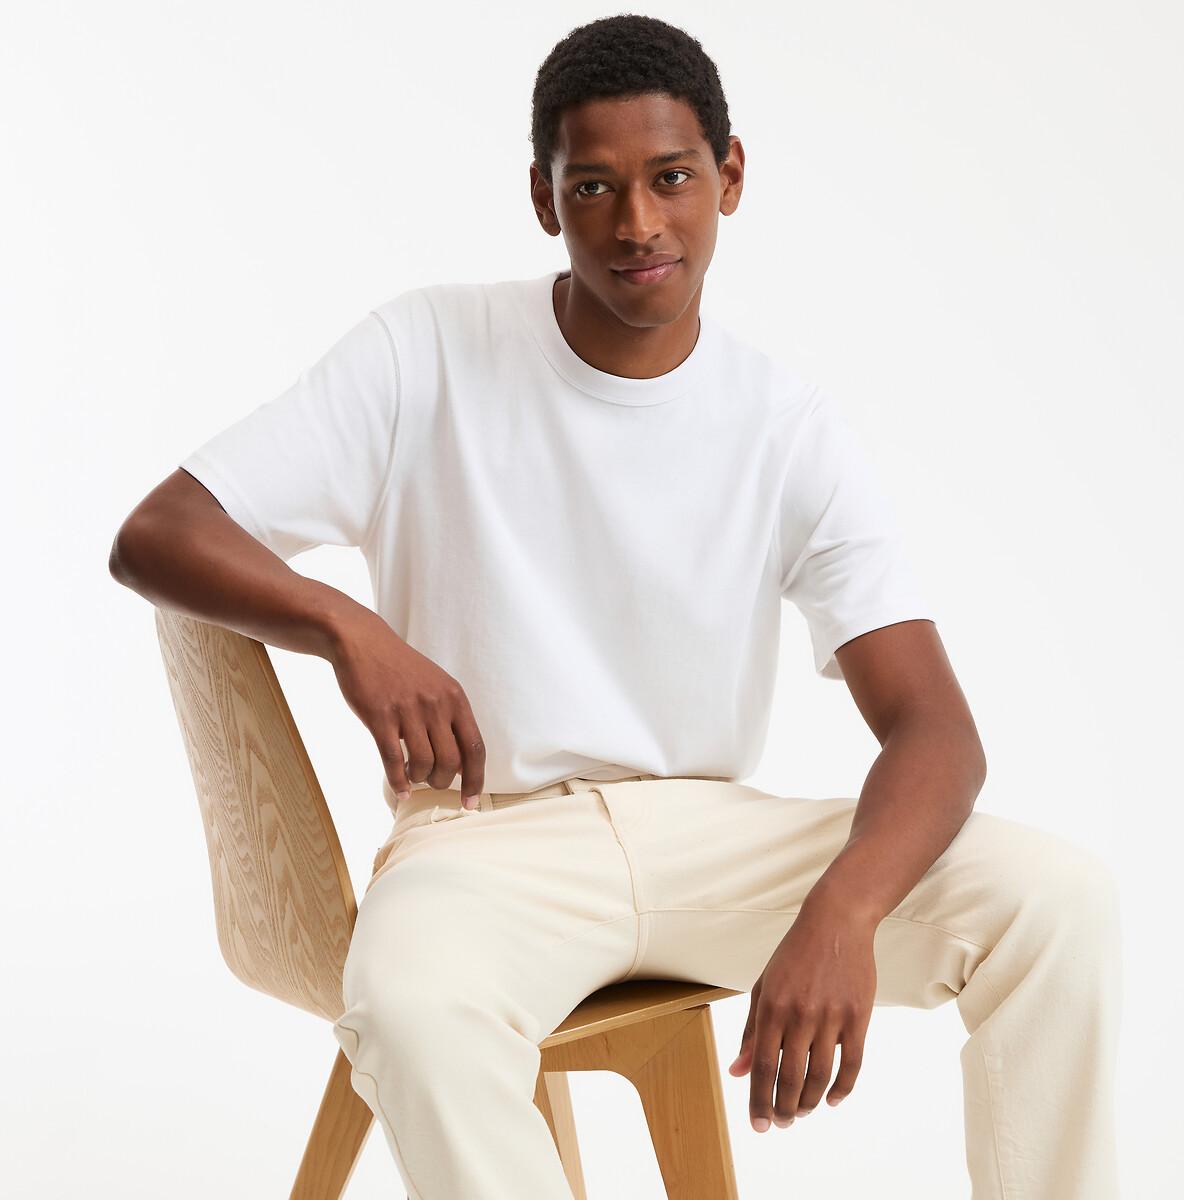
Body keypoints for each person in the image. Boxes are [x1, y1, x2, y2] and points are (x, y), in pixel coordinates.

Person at [109, 14, 1123, 1199]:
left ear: (730, 176)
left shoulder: (783, 427)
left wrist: (845, 913)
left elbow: (936, 731)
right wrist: (350, 627)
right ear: (545, 200)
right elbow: (159, 534)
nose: (637, 222)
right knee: (415, 1006)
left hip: (711, 838)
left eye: (671, 177)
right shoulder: (426, 350)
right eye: (592, 187)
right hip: (484, 844)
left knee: (1059, 902)